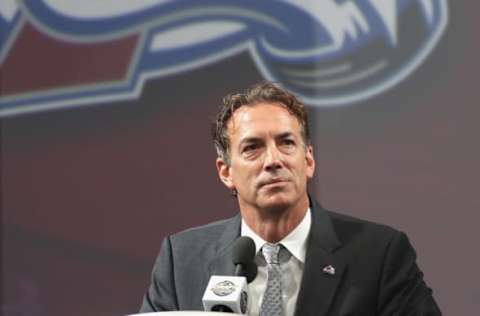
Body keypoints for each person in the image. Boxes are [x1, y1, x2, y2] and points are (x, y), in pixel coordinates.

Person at [139, 82, 441, 315]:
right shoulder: (181, 260)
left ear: (308, 159)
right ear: (226, 171)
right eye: (252, 147)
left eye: (286, 143)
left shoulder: (380, 255)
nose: (273, 160)